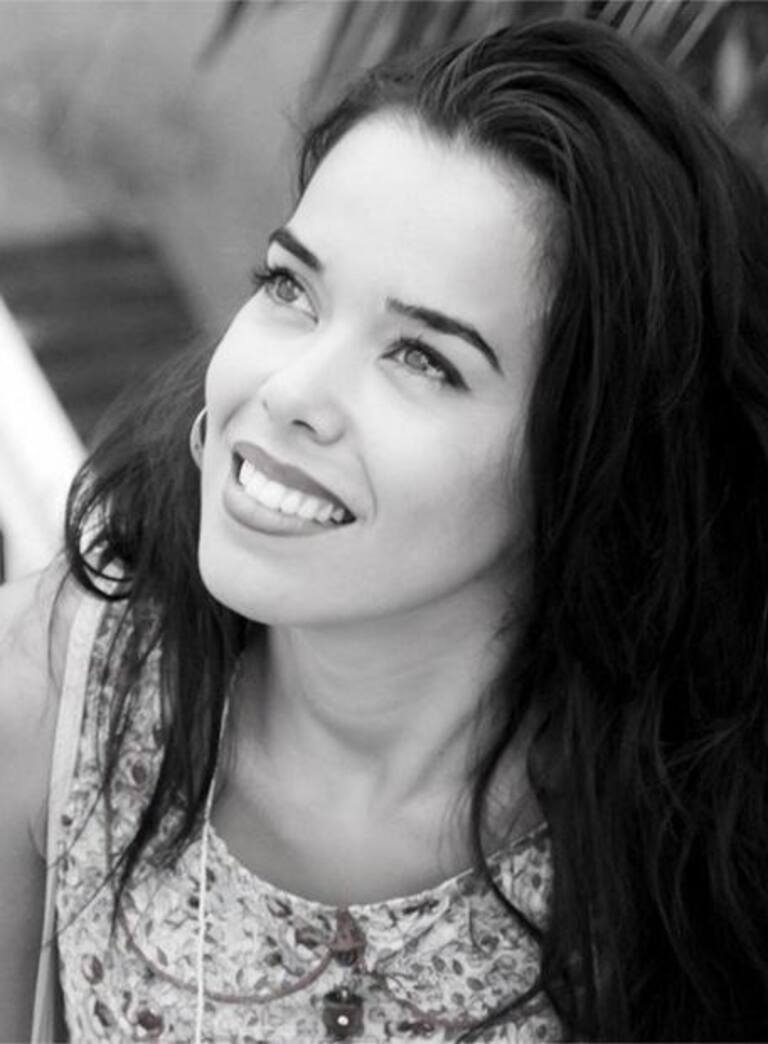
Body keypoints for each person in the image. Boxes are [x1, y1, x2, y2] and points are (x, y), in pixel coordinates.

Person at [2, 14, 768, 1042]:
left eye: (423, 359)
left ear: (588, 458)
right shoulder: (47, 694)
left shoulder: (701, 837)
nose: (290, 392)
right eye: (291, 288)